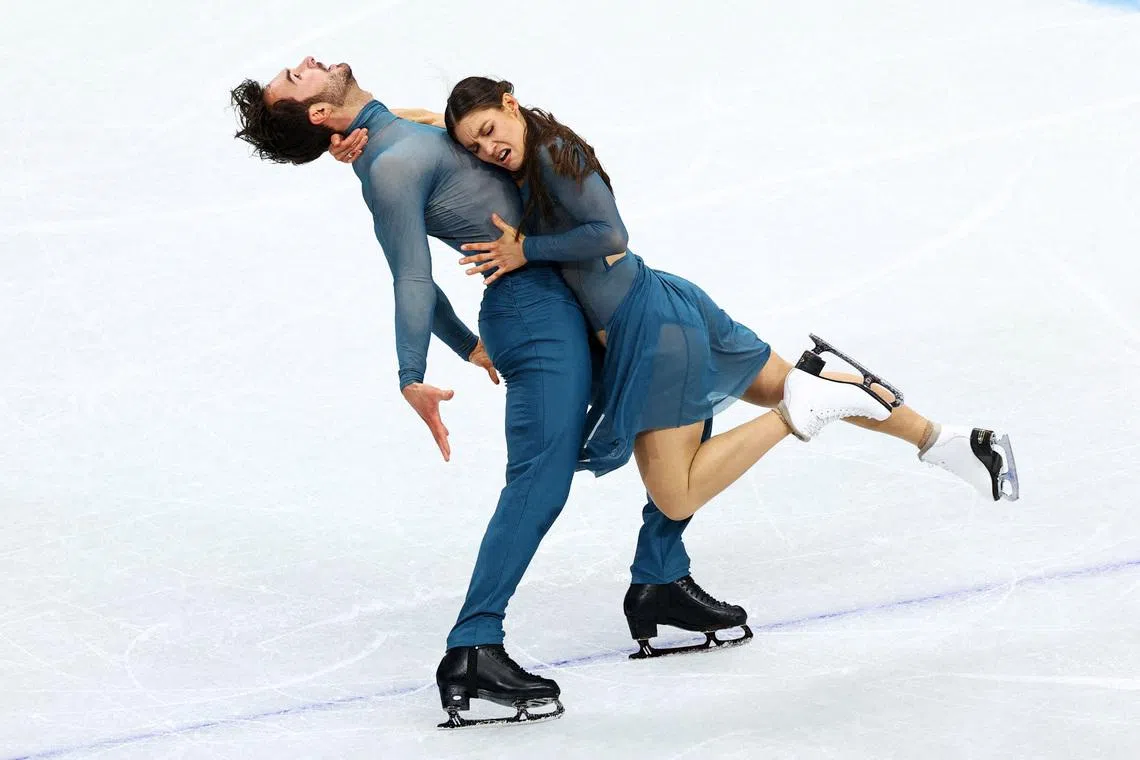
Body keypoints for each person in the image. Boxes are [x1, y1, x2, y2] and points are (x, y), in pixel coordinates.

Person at [229, 57, 754, 729]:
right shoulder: (387, 165)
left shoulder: (390, 135)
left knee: (673, 387)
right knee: (540, 480)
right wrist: (413, 372)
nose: (304, 63)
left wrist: (468, 343)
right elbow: (412, 280)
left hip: (566, 296)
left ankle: (659, 578)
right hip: (535, 316)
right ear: (320, 115)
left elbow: (432, 138)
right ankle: (473, 647)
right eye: (296, 80)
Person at [438, 76, 1020, 512]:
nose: (487, 150)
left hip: (648, 326)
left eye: (489, 132)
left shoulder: (552, 155)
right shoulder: (533, 145)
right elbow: (457, 130)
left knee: (678, 494)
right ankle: (950, 442)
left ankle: (803, 412)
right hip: (663, 302)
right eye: (474, 147)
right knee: (781, 380)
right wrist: (403, 123)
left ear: (510, 102)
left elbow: (610, 234)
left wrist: (526, 252)